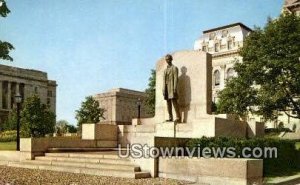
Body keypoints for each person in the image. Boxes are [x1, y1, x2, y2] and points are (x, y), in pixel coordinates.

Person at [163, 54, 181, 122]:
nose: (167, 60)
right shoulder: (165, 70)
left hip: (172, 87)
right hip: (166, 87)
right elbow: (163, 80)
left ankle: (178, 117)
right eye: (166, 59)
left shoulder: (174, 68)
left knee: (174, 102)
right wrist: (163, 89)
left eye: (168, 59)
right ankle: (170, 117)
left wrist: (174, 88)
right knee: (168, 103)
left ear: (171, 59)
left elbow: (176, 79)